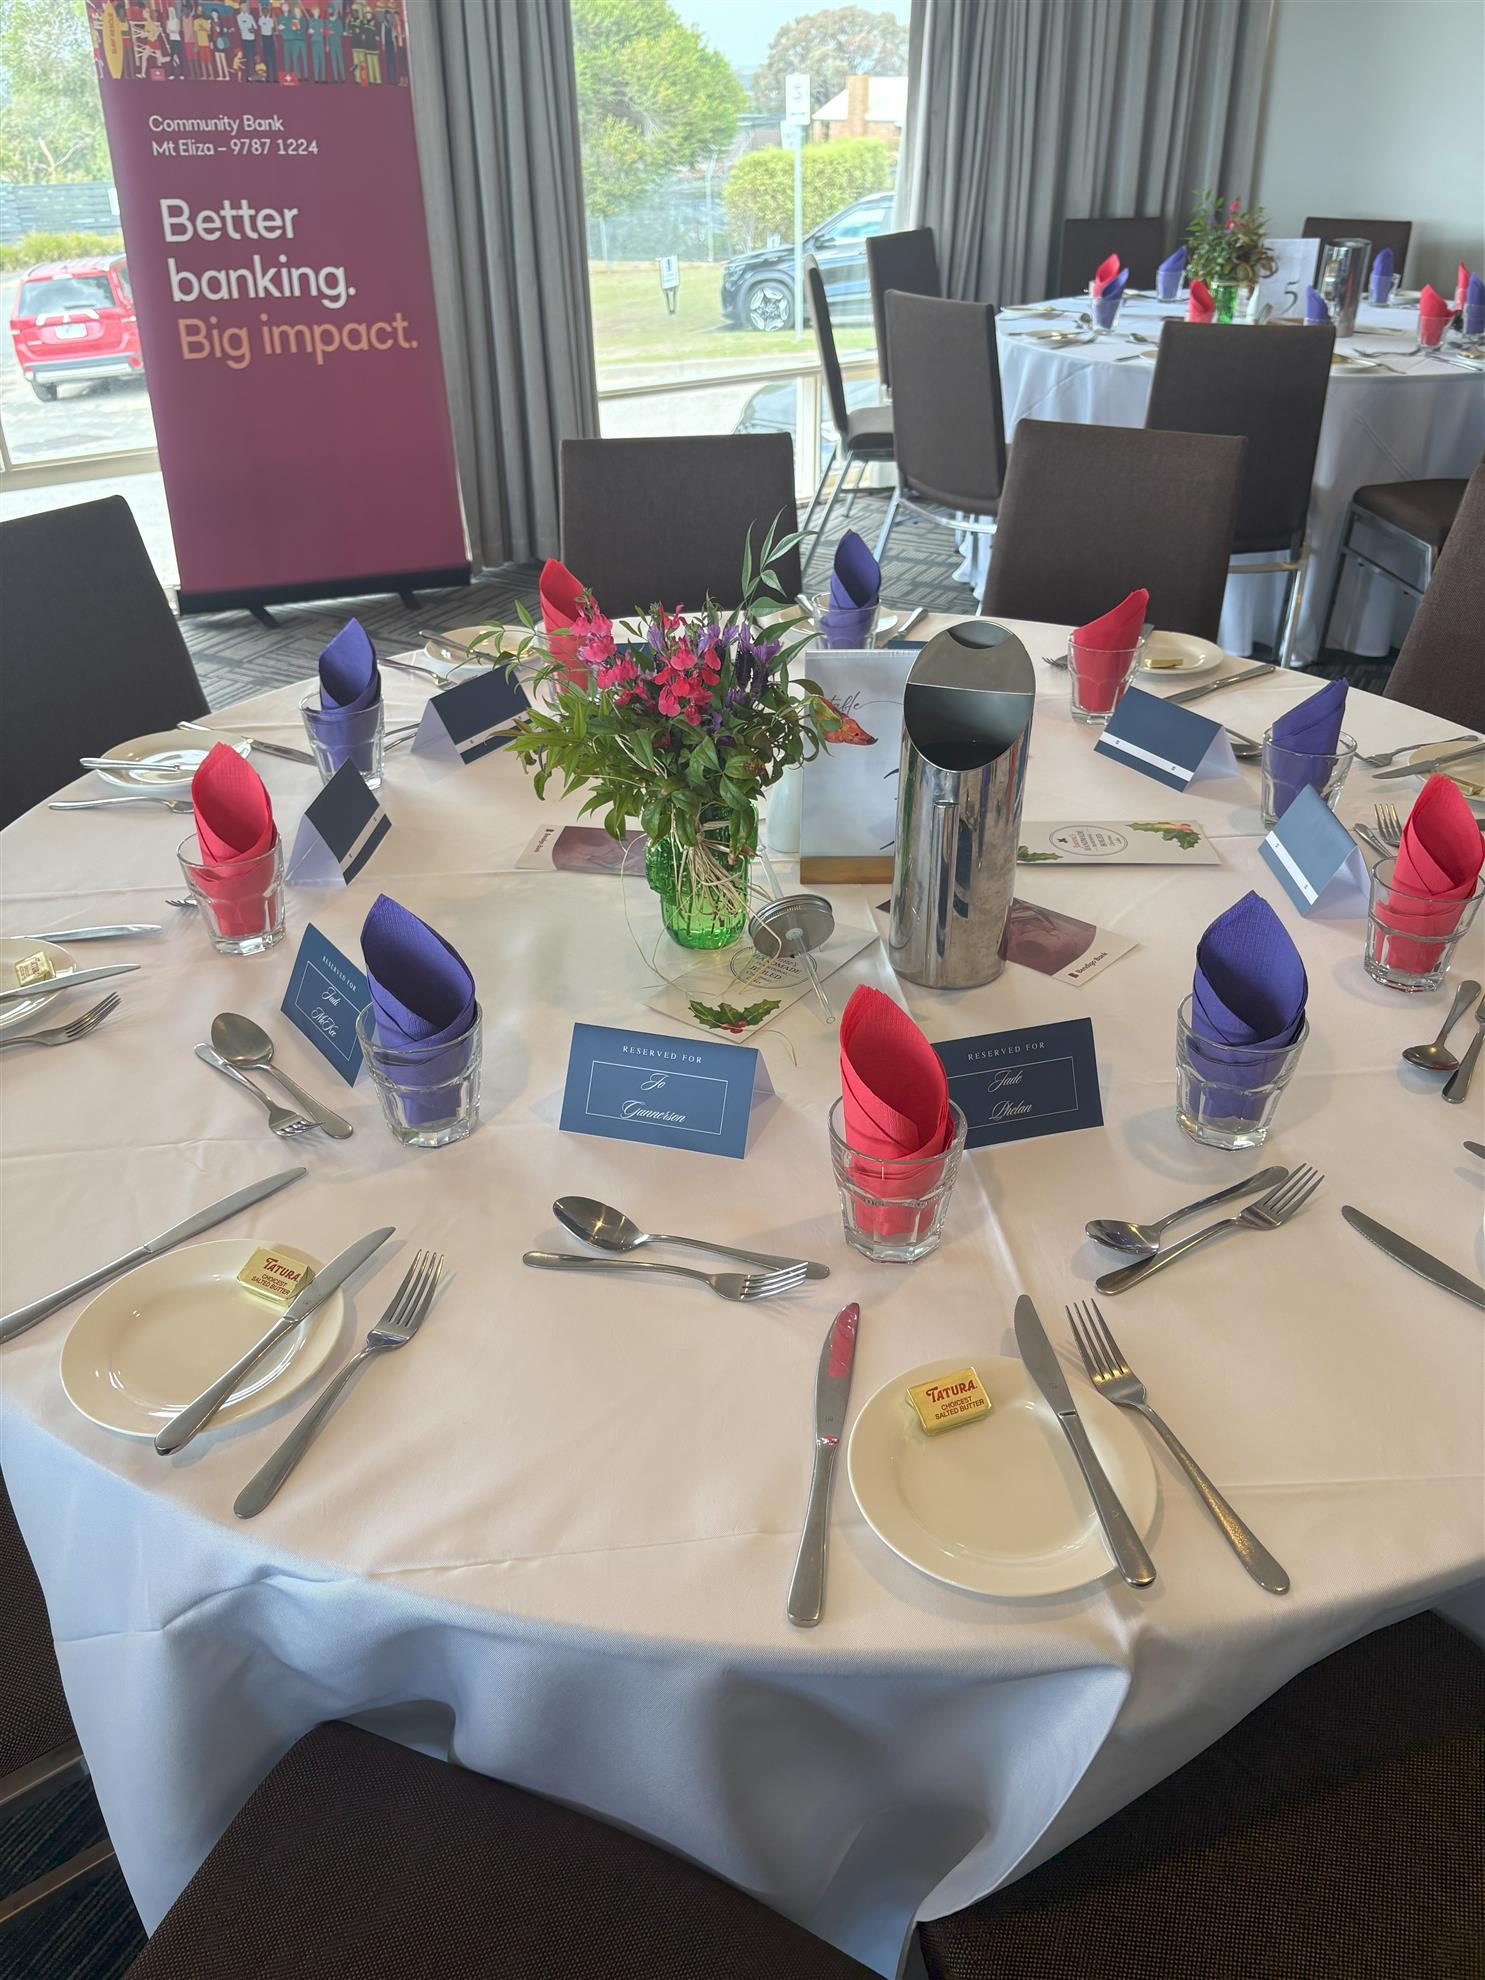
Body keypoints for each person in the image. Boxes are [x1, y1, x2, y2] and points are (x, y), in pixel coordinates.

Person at [281, 5, 308, 78]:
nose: (297, 12)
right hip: (295, 41)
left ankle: (306, 76)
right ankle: (296, 76)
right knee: (295, 59)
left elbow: (302, 29)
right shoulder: (294, 20)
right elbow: (293, 29)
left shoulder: (303, 19)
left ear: (300, 11)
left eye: (298, 11)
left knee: (304, 59)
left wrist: (297, 30)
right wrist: (294, 29)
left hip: (302, 41)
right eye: (295, 11)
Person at [257, 0, 278, 81]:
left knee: (273, 59)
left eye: (267, 11)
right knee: (266, 59)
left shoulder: (270, 19)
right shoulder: (260, 19)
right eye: (264, 11)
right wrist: (261, 41)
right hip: (264, 38)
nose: (265, 12)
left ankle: (275, 77)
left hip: (270, 38)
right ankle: (268, 77)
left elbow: (272, 30)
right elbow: (260, 30)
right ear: (262, 12)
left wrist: (275, 41)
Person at [236, 2, 257, 77]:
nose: (244, 8)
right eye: (242, 7)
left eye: (245, 6)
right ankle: (247, 74)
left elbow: (255, 26)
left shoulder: (250, 16)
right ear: (240, 8)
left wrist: (252, 29)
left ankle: (254, 73)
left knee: (252, 56)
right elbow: (241, 27)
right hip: (244, 39)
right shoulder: (238, 17)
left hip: (252, 39)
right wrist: (248, 27)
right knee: (246, 57)